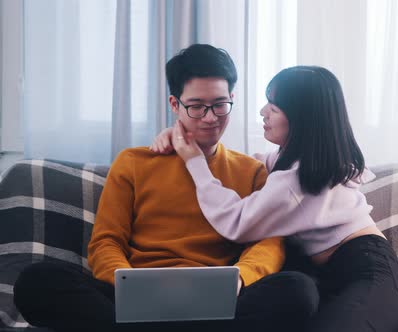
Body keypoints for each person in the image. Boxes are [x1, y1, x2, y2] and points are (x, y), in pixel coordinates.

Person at [13, 44, 319, 332]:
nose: (211, 118)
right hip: (133, 291)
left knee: (300, 290)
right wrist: (126, 284)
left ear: (232, 99)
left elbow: (269, 243)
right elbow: (106, 242)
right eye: (197, 107)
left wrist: (241, 279)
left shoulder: (251, 171)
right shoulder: (133, 162)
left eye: (220, 105)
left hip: (221, 298)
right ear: (175, 104)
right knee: (35, 282)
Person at [151, 65, 398, 332]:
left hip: (372, 278)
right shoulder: (303, 162)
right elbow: (245, 165)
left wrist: (194, 162)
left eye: (274, 108)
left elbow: (235, 220)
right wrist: (183, 140)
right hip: (335, 278)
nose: (263, 112)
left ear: (302, 119)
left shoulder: (295, 180)